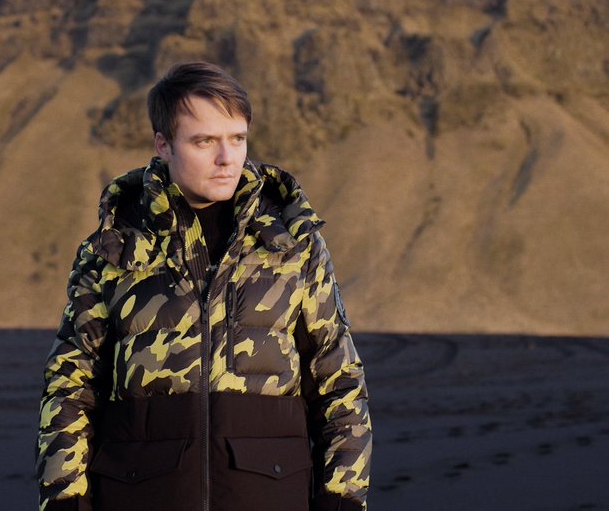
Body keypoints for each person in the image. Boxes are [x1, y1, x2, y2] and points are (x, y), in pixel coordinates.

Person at [37, 61, 371, 511]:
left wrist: (343, 497)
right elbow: (70, 385)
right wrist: (64, 499)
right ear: (163, 145)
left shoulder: (294, 247)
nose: (227, 158)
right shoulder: (111, 252)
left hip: (270, 496)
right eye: (204, 141)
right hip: (140, 496)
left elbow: (338, 380)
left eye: (237, 138)